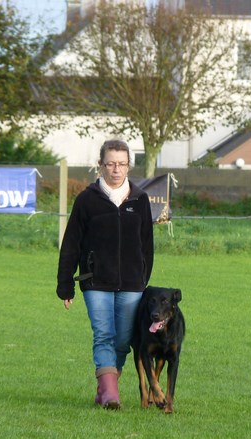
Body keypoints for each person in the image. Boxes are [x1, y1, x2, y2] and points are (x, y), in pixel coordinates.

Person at [57, 139, 154, 410]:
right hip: (95, 281)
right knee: (103, 334)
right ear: (100, 164)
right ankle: (111, 395)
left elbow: (147, 245)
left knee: (122, 340)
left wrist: (142, 279)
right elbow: (71, 244)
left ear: (129, 166)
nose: (116, 169)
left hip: (132, 284)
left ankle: (105, 387)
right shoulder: (86, 200)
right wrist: (65, 285)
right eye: (111, 164)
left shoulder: (140, 199)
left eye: (122, 164)